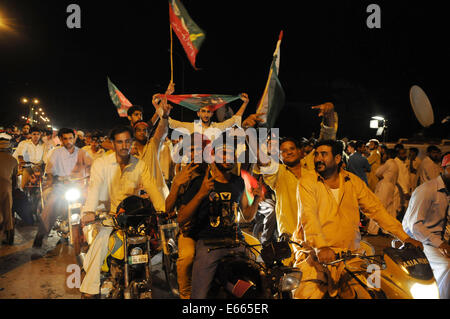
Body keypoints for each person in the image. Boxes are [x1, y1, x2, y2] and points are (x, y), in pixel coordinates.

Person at [292, 140, 423, 299]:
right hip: (315, 257)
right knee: (306, 294)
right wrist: (321, 247)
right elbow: (308, 217)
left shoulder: (353, 182)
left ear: (338, 158)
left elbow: (377, 211)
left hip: (350, 257)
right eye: (317, 154)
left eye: (324, 154)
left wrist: (406, 237)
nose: (318, 158)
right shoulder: (307, 182)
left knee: (371, 293)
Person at [79, 125, 166, 298]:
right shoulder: (101, 164)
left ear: (132, 142)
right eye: (119, 142)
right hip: (108, 216)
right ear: (112, 143)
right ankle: (90, 290)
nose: (124, 145)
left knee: (154, 244)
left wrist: (163, 209)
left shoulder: (139, 165)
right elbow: (94, 188)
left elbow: (152, 188)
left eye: (127, 141)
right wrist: (89, 211)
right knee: (101, 244)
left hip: (133, 218)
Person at [177, 136, 263, 299]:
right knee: (199, 296)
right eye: (223, 153)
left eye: (231, 154)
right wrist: (201, 193)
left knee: (259, 284)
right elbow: (181, 218)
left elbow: (247, 215)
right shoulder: (199, 182)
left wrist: (257, 199)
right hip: (209, 245)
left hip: (236, 243)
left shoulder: (238, 182)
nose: (228, 157)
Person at [253, 103, 337, 249]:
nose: (288, 152)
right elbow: (262, 160)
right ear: (279, 156)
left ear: (300, 151)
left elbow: (326, 140)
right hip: (290, 238)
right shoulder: (277, 172)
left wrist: (329, 116)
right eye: (283, 151)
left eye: (292, 149)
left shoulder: (312, 164)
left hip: (320, 235)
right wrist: (249, 132)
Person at [32, 128, 93, 250]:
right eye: (65, 138)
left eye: (71, 138)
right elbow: (49, 172)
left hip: (78, 187)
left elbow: (92, 167)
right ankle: (40, 237)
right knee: (51, 206)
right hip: (61, 187)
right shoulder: (56, 153)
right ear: (60, 139)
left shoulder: (82, 153)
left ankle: (90, 239)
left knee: (92, 207)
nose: (68, 141)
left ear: (74, 138)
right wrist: (50, 184)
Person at [402, 154, 450, 299]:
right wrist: (441, 244)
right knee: (447, 266)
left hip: (440, 241)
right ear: (445, 169)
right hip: (421, 242)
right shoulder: (427, 189)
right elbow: (415, 226)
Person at [167, 92, 250, 141]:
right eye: (203, 111)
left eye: (208, 112)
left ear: (212, 114)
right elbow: (170, 122)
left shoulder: (217, 127)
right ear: (198, 113)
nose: (206, 114)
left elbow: (235, 119)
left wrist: (245, 103)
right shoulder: (191, 127)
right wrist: (163, 101)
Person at [367, 147, 399, 235]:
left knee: (378, 208)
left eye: (384, 154)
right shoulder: (395, 164)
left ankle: (372, 230)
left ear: (387, 155)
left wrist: (380, 174)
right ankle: (387, 230)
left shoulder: (388, 162)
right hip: (391, 187)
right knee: (389, 210)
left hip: (384, 187)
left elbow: (377, 172)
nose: (383, 156)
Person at [0, 136, 18, 245]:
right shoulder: (13, 160)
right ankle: (9, 236)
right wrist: (13, 190)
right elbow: (15, 179)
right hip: (6, 188)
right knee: (7, 212)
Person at [394, 146, 411, 220]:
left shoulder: (404, 161)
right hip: (399, 191)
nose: (404, 155)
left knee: (403, 210)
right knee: (397, 209)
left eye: (405, 153)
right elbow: (399, 179)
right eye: (402, 154)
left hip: (405, 190)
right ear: (398, 154)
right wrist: (405, 192)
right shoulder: (396, 163)